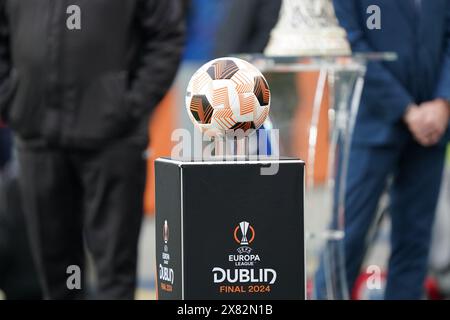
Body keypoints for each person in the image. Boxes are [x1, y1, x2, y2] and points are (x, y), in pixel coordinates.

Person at [0, 0, 185, 299]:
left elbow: (167, 35)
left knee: (115, 274)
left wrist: (130, 105)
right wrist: (14, 100)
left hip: (115, 139)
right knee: (56, 274)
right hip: (38, 137)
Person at [316, 0, 450, 299]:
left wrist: (443, 101)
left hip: (432, 125)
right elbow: (351, 43)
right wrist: (406, 110)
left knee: (415, 240)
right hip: (370, 123)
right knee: (346, 236)